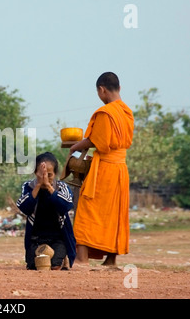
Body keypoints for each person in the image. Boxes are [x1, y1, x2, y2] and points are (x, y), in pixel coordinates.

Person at [70, 72, 134, 267]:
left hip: (104, 170)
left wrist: (75, 146)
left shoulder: (106, 113)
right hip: (121, 169)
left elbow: (98, 142)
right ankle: (111, 260)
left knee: (86, 210)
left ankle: (81, 259)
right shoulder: (127, 112)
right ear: (120, 88)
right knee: (115, 213)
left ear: (102, 89)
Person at [16, 152, 76, 270]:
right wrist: (38, 186)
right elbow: (24, 207)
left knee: (54, 266)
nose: (45, 178)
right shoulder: (28, 186)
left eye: (49, 175)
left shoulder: (61, 187)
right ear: (35, 173)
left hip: (58, 239)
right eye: (41, 174)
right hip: (36, 239)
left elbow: (66, 205)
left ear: (55, 174)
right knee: (35, 266)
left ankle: (63, 258)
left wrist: (49, 187)